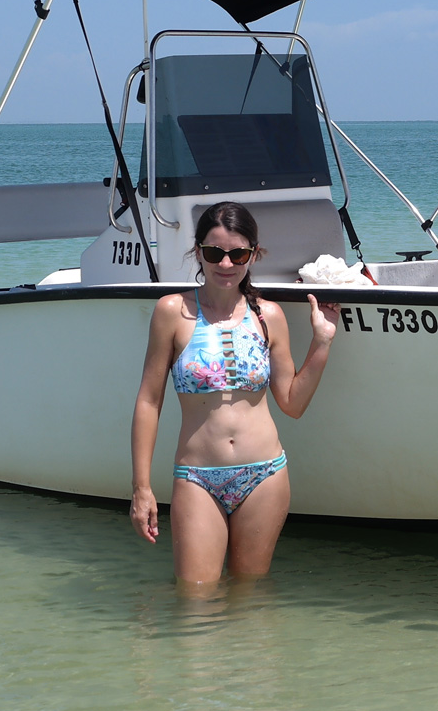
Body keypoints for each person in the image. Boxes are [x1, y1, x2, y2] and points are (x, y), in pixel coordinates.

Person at [128, 201, 339, 583]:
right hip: (197, 477)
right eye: (214, 253)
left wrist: (321, 342)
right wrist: (141, 488)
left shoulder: (268, 316)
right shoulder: (172, 311)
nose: (226, 264)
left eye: (238, 254)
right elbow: (148, 401)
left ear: (253, 254)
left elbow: (292, 403)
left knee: (249, 596)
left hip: (265, 475)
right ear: (198, 253)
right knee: (195, 597)